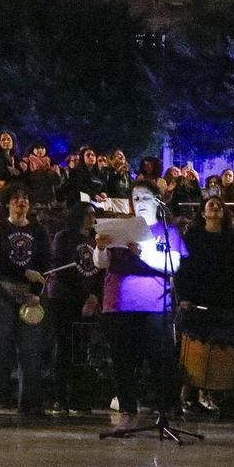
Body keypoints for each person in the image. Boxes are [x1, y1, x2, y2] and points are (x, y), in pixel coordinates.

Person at [94, 181, 185, 426]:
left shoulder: (168, 231)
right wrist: (100, 248)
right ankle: (127, 409)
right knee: (122, 360)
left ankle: (165, 409)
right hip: (119, 304)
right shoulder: (121, 228)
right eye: (135, 198)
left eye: (145, 197)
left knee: (160, 359)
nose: (140, 203)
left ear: (157, 200)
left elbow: (173, 265)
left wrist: (143, 253)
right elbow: (101, 263)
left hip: (154, 304)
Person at [0, 185, 50, 415]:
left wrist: (35, 291)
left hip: (29, 295)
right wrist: (23, 273)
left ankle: (30, 403)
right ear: (8, 203)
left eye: (25, 198)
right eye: (16, 198)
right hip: (0, 290)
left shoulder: (39, 231)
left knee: (31, 349)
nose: (21, 202)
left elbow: (45, 262)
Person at [174, 196, 234, 415]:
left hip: (223, 300)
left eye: (219, 205)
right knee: (194, 347)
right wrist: (184, 297)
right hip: (196, 299)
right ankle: (185, 393)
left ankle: (206, 394)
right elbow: (184, 269)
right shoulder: (193, 237)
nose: (215, 207)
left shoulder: (231, 239)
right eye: (211, 205)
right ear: (202, 213)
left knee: (216, 347)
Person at [47, 201, 101, 415]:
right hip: (64, 298)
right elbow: (64, 269)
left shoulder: (96, 240)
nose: (92, 219)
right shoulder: (64, 237)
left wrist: (95, 296)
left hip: (88, 300)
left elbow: (100, 270)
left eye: (94, 215)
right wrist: (86, 295)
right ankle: (60, 398)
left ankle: (79, 397)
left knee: (82, 350)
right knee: (63, 348)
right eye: (88, 214)